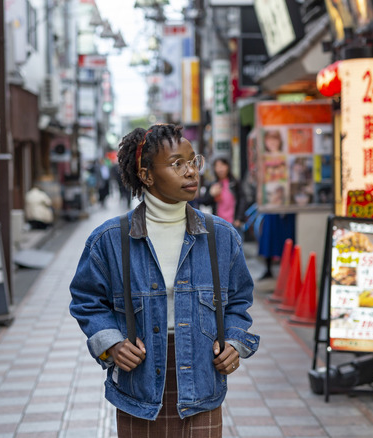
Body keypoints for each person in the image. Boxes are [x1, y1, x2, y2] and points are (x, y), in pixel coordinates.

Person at [69, 123, 260, 436]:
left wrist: (234, 342)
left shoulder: (221, 236)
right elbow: (86, 300)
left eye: (193, 161)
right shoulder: (111, 239)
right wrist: (112, 344)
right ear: (146, 175)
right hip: (138, 387)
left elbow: (239, 300)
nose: (191, 171)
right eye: (177, 164)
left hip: (203, 383)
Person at [199, 157, 245, 230]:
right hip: (218, 223)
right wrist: (211, 195)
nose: (220, 169)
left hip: (233, 223)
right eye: (217, 166)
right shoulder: (212, 184)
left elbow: (242, 200)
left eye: (222, 165)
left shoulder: (234, 183)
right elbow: (204, 202)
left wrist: (239, 218)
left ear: (227, 167)